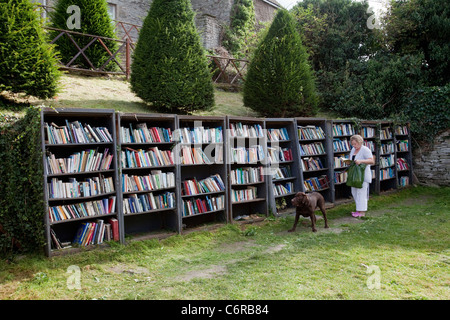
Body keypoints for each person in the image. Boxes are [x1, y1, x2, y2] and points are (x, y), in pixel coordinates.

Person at [349, 134, 375, 217]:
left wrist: (361, 161)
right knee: (354, 192)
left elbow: (371, 161)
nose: (354, 146)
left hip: (362, 175)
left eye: (355, 144)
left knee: (362, 193)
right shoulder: (353, 150)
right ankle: (358, 210)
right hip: (354, 174)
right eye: (352, 144)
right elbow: (352, 159)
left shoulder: (365, 149)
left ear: (360, 142)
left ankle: (362, 212)